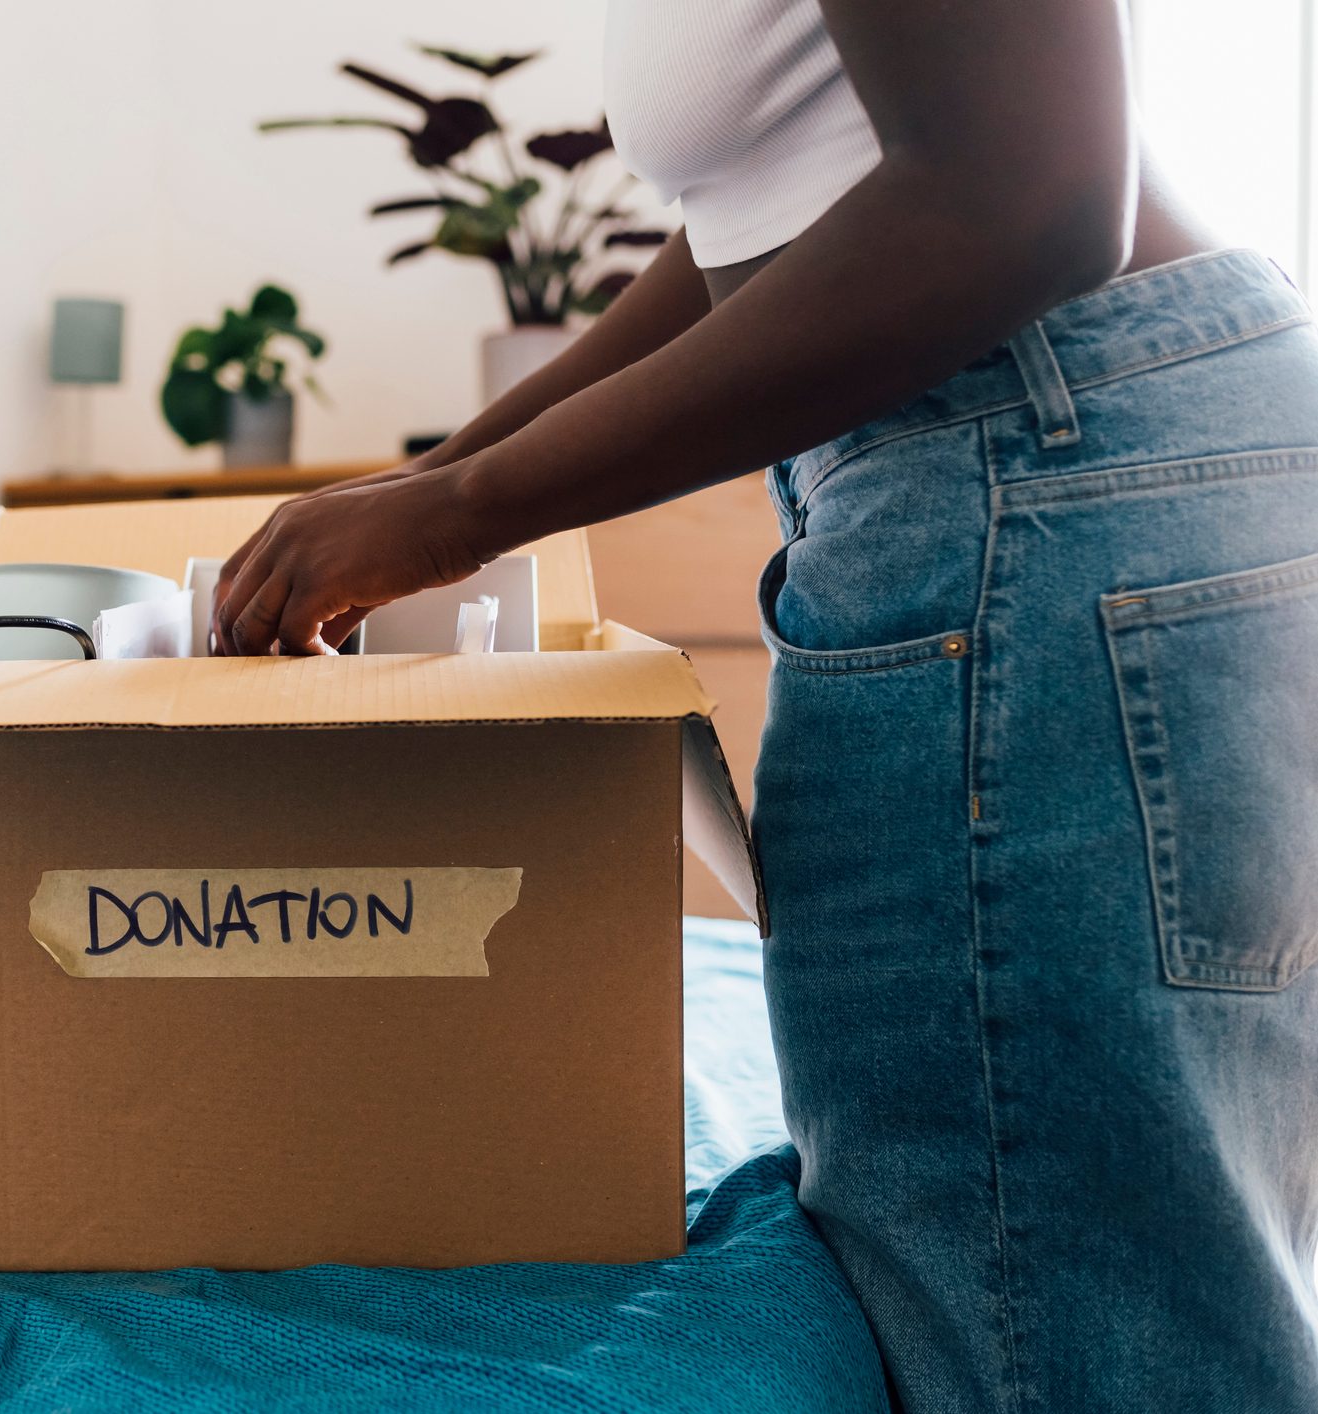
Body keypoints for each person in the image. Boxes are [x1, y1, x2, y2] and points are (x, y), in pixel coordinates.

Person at [210, 3, 1318, 1410]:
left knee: (1048, 1315)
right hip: (1069, 468)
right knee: (1099, 1270)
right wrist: (437, 483)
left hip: (1042, 478)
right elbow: (763, 218)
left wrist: (468, 506)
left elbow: (1022, 196)